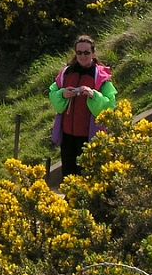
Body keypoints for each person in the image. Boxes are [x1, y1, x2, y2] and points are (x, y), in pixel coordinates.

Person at [48, 34, 117, 177]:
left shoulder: (101, 76)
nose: (83, 56)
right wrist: (62, 94)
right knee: (68, 173)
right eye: (79, 52)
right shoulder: (66, 73)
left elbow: (110, 103)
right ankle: (69, 199)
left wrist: (93, 95)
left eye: (86, 52)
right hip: (67, 134)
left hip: (88, 135)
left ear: (93, 53)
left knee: (86, 173)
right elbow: (52, 94)